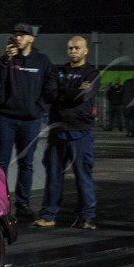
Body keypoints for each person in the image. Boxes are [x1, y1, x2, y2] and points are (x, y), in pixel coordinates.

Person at [0, 23, 56, 221]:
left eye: (22, 35)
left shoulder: (42, 61)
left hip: (30, 121)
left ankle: (23, 204)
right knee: (1, 163)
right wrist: (5, 59)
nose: (18, 38)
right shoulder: (8, 58)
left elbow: (51, 88)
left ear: (31, 38)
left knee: (26, 163)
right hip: (6, 118)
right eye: (16, 35)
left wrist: (39, 108)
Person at [36, 34, 100, 229]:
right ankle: (49, 215)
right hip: (58, 131)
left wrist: (63, 91)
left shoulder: (92, 73)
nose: (73, 51)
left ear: (86, 51)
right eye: (70, 48)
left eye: (77, 48)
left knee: (83, 176)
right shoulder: (58, 70)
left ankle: (87, 217)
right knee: (53, 176)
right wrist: (73, 90)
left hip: (81, 132)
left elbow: (83, 96)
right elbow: (50, 94)